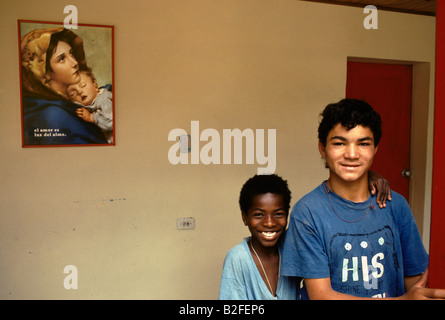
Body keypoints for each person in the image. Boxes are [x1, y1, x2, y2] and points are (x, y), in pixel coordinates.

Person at [281, 98, 445, 300]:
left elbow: (415, 283)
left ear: (376, 148)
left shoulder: (396, 205)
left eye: (363, 143)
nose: (351, 154)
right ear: (322, 148)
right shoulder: (307, 213)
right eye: (339, 143)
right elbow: (321, 296)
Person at [218, 172, 390, 300]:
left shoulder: (293, 241)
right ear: (244, 217)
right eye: (258, 215)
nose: (269, 223)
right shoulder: (238, 258)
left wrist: (368, 177)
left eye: (278, 214)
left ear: (287, 214)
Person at [20, 27, 108, 145]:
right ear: (44, 73)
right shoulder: (55, 115)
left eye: (71, 54)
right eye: (62, 59)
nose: (75, 63)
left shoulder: (70, 102)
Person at [67, 70, 114, 144]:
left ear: (95, 85)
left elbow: (111, 123)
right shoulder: (84, 105)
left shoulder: (104, 99)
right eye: (73, 93)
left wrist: (91, 117)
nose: (79, 91)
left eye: (83, 85)